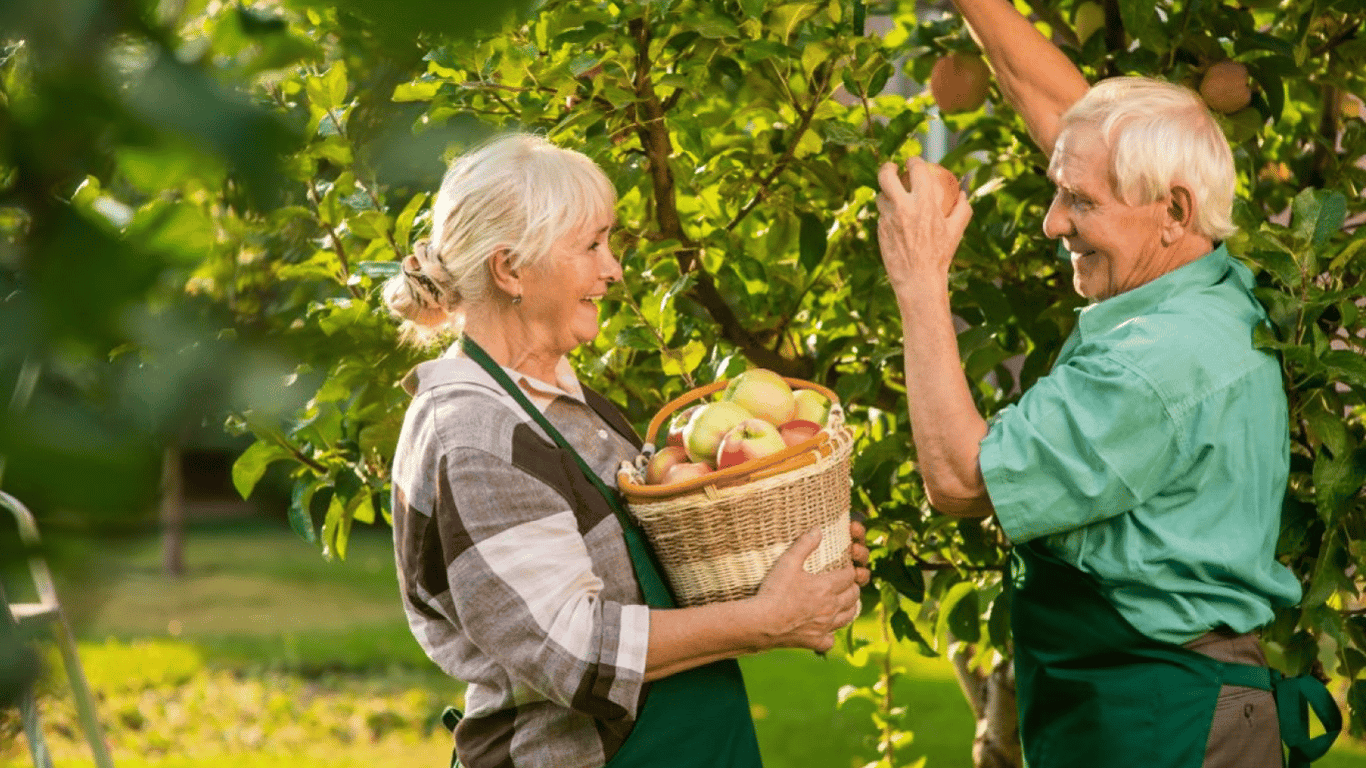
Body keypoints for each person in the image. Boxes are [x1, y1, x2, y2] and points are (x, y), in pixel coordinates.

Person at [871, 1, 1340, 766]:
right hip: (1164, 701)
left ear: (1171, 211)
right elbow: (1076, 121)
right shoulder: (1207, 275)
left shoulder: (1147, 364)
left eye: (1079, 202)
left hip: (1162, 726)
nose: (1053, 223)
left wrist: (919, 279)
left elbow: (960, 478)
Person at [383, 132, 869, 768]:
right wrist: (765, 618)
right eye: (590, 246)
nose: (612, 269)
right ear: (510, 270)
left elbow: (644, 580)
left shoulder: (555, 401)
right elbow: (575, 650)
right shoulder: (473, 437)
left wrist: (789, 559)